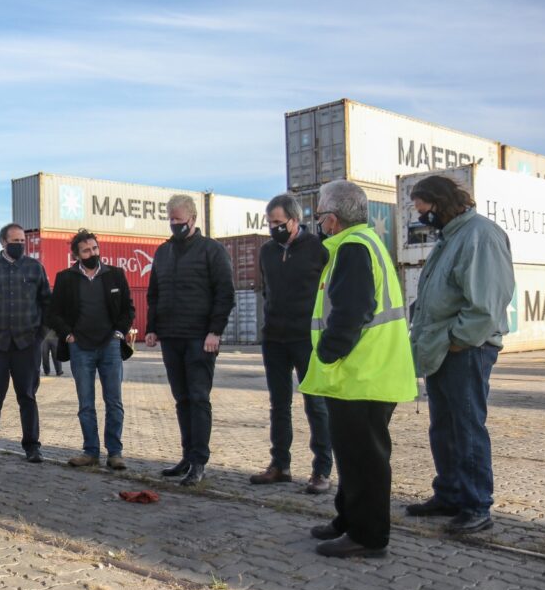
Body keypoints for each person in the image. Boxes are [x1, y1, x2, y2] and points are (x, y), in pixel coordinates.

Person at [300, 180, 417, 558]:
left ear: (332, 220)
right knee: (352, 455)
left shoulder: (352, 248)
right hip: (364, 374)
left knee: (365, 459)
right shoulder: (363, 244)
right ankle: (347, 520)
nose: (318, 223)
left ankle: (367, 535)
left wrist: (330, 353)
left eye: (319, 216)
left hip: (362, 375)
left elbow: (352, 311)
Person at [407, 176, 515, 534]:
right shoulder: (450, 236)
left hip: (466, 349)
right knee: (444, 425)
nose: (420, 215)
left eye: (423, 208)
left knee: (466, 426)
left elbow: (485, 305)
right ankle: (450, 493)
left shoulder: (479, 236)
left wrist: (456, 340)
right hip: (441, 347)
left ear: (441, 202)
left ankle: (476, 505)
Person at [145, 195, 235, 486]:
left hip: (200, 338)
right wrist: (152, 328)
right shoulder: (163, 252)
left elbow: (225, 293)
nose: (174, 225)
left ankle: (199, 461)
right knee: (182, 399)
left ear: (193, 220)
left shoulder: (212, 251)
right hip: (171, 336)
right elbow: (154, 294)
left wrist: (215, 331)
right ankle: (186, 457)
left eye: (179, 221)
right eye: (170, 220)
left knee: (198, 398)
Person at [250, 194, 333, 494]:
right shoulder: (267, 252)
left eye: (278, 222)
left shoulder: (318, 249)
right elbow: (266, 291)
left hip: (306, 338)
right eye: (270, 223)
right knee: (279, 404)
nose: (273, 228)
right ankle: (280, 465)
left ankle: (322, 470)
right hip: (273, 338)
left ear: (295, 221)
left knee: (316, 404)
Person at [47, 229, 135, 471]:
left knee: (114, 401)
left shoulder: (115, 275)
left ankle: (115, 453)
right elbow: (53, 313)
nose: (92, 253)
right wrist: (68, 334)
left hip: (110, 346)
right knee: (86, 403)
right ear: (76, 254)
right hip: (80, 348)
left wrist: (119, 333)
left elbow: (128, 309)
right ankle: (91, 451)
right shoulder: (65, 278)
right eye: (86, 250)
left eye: (95, 248)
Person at [0, 223, 51, 463]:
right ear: (3, 242)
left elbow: (47, 304)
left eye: (23, 241)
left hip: (27, 345)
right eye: (15, 241)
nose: (20, 245)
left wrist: (39, 337)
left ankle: (32, 446)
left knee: (27, 396)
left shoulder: (35, 268)